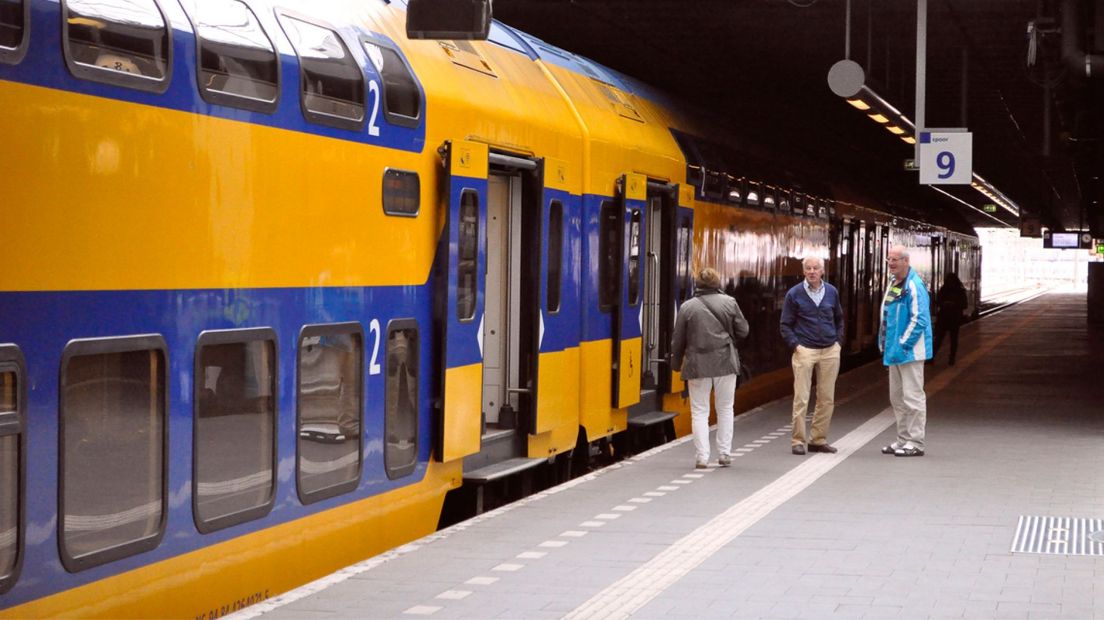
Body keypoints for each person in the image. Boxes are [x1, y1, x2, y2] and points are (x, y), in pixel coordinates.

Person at [671, 267, 750, 469]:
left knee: (699, 411)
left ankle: (702, 457)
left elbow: (678, 340)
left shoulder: (687, 307)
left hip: (697, 365)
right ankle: (724, 453)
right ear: (717, 284)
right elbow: (744, 330)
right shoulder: (729, 302)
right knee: (725, 408)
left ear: (697, 284)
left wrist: (675, 363)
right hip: (725, 362)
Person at [779, 256, 845, 455]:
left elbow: (839, 318)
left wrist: (838, 342)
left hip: (829, 350)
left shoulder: (832, 292)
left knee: (826, 398)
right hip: (805, 350)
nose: (812, 271)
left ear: (822, 271)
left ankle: (818, 439)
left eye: (816, 268)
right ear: (803, 271)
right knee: (801, 397)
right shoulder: (794, 294)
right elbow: (785, 324)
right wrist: (796, 345)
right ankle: (797, 441)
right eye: (808, 268)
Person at [879, 245, 932, 457]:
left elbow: (920, 319)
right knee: (897, 398)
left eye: (895, 259)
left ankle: (916, 441)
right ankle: (902, 439)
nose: (891, 263)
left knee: (913, 397)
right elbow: (888, 315)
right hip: (893, 352)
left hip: (909, 352)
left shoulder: (914, 285)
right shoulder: (894, 283)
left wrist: (903, 344)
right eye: (889, 259)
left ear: (906, 261)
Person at [932, 272, 968, 366]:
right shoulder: (960, 291)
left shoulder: (944, 290)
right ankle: (951, 359)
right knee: (953, 340)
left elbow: (938, 301)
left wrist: (949, 304)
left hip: (944, 318)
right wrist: (951, 304)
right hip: (953, 319)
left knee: (939, 339)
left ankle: (932, 357)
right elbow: (964, 305)